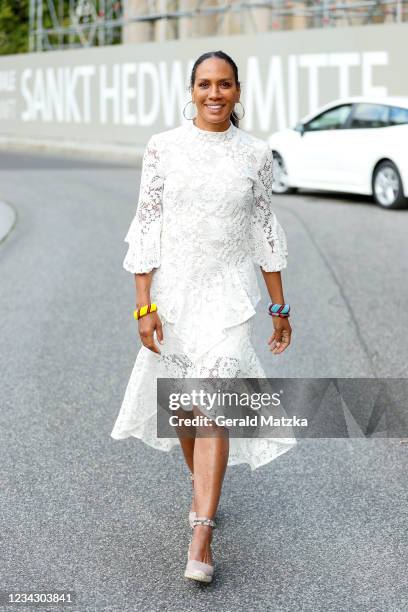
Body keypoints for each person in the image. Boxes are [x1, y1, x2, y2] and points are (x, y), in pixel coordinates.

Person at [111, 50, 297, 584]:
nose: (214, 94)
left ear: (238, 91)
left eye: (225, 85)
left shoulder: (256, 155)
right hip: (174, 295)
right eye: (204, 85)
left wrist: (279, 307)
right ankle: (203, 485)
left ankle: (202, 531)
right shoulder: (163, 148)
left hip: (230, 297)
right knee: (188, 409)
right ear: (191, 90)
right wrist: (144, 305)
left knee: (213, 401)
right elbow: (145, 225)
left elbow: (265, 231)